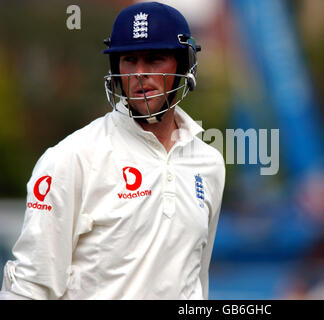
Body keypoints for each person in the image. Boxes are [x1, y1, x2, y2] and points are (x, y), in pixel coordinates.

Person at [0, 2, 225, 300]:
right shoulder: (71, 158)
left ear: (184, 65)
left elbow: (197, 279)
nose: (139, 74)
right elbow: (29, 287)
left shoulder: (208, 163)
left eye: (155, 58)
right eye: (129, 59)